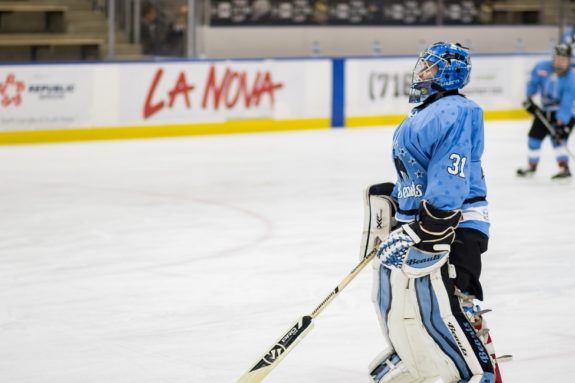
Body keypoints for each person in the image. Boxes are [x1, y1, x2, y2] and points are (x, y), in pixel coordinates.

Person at [366, 42, 505, 383]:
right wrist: (398, 201)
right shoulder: (427, 111)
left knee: (456, 304)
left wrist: (433, 223)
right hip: (427, 219)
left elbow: (450, 172)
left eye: (428, 67)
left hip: (455, 223)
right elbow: (419, 172)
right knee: (406, 300)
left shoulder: (455, 111)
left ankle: (481, 373)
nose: (420, 72)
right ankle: (421, 358)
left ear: (445, 73)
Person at [516, 43, 575, 180]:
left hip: (565, 112)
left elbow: (567, 103)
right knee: (533, 139)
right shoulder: (541, 67)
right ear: (553, 58)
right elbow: (533, 84)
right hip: (545, 110)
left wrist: (561, 123)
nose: (560, 63)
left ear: (569, 61)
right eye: (558, 59)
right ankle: (531, 167)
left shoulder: (572, 78)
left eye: (564, 60)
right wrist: (529, 100)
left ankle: (564, 168)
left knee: (558, 139)